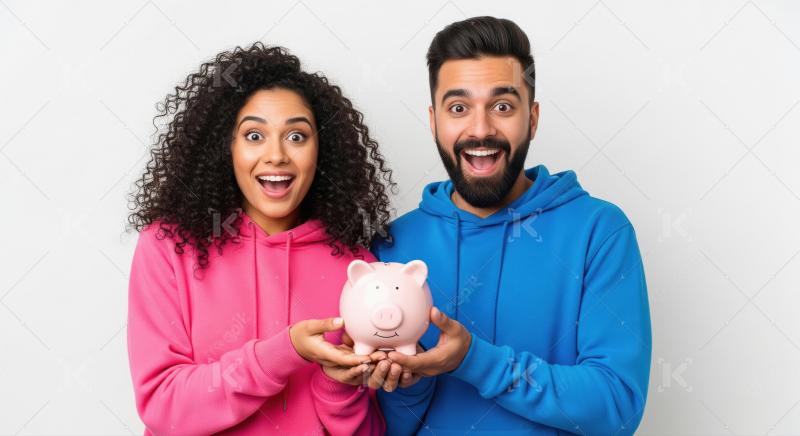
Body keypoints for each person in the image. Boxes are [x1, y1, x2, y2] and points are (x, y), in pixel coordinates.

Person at [373, 17, 652, 435]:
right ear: (433, 120)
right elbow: (381, 426)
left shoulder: (599, 232)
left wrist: (475, 361)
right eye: (458, 108)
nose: (481, 129)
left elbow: (617, 408)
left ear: (533, 118)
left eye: (503, 106)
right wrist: (407, 385)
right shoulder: (391, 248)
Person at [126, 42, 392, 435]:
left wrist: (338, 385)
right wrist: (284, 353)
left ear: (324, 151)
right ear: (225, 147)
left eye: (297, 137)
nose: (276, 156)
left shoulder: (359, 269)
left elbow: (368, 431)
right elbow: (163, 405)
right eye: (254, 135)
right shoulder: (169, 247)